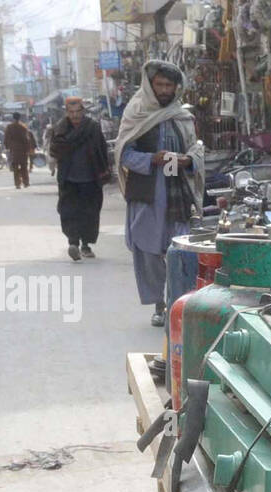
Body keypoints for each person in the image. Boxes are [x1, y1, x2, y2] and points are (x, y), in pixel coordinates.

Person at [114, 61, 205, 326]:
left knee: (180, 252)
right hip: (148, 195)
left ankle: (179, 305)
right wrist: (153, 158)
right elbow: (124, 154)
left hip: (178, 193)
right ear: (150, 85)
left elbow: (196, 148)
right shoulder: (136, 112)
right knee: (149, 253)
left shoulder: (182, 116)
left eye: (169, 85)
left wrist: (188, 160)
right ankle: (159, 304)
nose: (165, 90)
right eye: (160, 84)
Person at [49, 96, 111, 261]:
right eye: (71, 112)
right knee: (69, 212)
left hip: (91, 177)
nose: (75, 115)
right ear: (66, 112)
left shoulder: (93, 127)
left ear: (83, 111)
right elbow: (54, 150)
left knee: (90, 212)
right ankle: (73, 243)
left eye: (78, 112)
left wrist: (105, 171)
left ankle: (86, 245)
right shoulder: (60, 128)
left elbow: (102, 150)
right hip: (68, 178)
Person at [3, 112, 34, 189]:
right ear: (20, 118)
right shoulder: (23, 127)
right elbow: (26, 139)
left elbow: (6, 138)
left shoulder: (9, 127)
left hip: (13, 150)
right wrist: (28, 148)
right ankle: (26, 182)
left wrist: (7, 147)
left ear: (13, 118)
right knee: (24, 166)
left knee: (15, 167)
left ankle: (17, 183)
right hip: (23, 150)